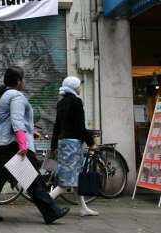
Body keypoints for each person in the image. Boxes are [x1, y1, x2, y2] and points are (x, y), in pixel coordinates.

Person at [0, 66, 70, 224]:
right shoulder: (16, 96)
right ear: (18, 81)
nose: (24, 82)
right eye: (23, 78)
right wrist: (23, 143)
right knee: (31, 179)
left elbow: (5, 120)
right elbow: (16, 121)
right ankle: (51, 212)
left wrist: (30, 131)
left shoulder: (2, 94)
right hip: (10, 145)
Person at [49, 76, 99, 217]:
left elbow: (57, 126)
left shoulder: (61, 103)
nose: (80, 87)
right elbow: (80, 127)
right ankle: (45, 202)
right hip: (73, 144)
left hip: (63, 142)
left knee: (75, 178)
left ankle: (83, 208)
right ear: (73, 87)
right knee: (65, 182)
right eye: (78, 85)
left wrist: (53, 146)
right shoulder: (76, 102)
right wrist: (91, 143)